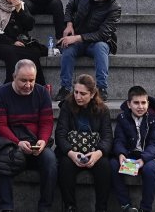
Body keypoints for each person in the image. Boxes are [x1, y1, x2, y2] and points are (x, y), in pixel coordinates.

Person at [0, 59, 56, 212]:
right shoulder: (0, 94)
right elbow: (0, 126)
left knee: (50, 160)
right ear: (14, 77)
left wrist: (42, 141)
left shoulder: (42, 92)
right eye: (23, 80)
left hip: (36, 141)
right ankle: (6, 208)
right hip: (11, 142)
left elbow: (46, 122)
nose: (28, 85)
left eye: (32, 80)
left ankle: (45, 207)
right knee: (2, 161)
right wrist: (18, 143)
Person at [56, 0, 123, 102]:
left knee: (101, 48)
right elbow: (70, 6)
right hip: (78, 39)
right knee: (67, 50)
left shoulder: (115, 7)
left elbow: (102, 34)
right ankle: (65, 88)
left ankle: (102, 88)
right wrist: (69, 24)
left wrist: (76, 38)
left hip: (97, 42)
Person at [111, 85, 155, 212]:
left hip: (152, 156)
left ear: (148, 103)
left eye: (143, 103)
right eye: (136, 103)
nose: (140, 106)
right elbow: (119, 139)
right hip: (130, 154)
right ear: (129, 104)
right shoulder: (123, 118)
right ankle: (126, 205)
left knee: (149, 168)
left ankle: (145, 208)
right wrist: (120, 154)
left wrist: (143, 159)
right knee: (113, 164)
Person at [54, 74, 113, 212]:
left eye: (83, 94)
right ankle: (70, 207)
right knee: (65, 165)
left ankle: (101, 208)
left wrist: (98, 153)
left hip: (94, 151)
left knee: (104, 166)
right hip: (72, 151)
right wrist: (71, 153)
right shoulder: (67, 106)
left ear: (92, 94)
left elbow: (108, 136)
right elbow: (60, 134)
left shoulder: (103, 109)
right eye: (76, 92)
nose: (78, 96)